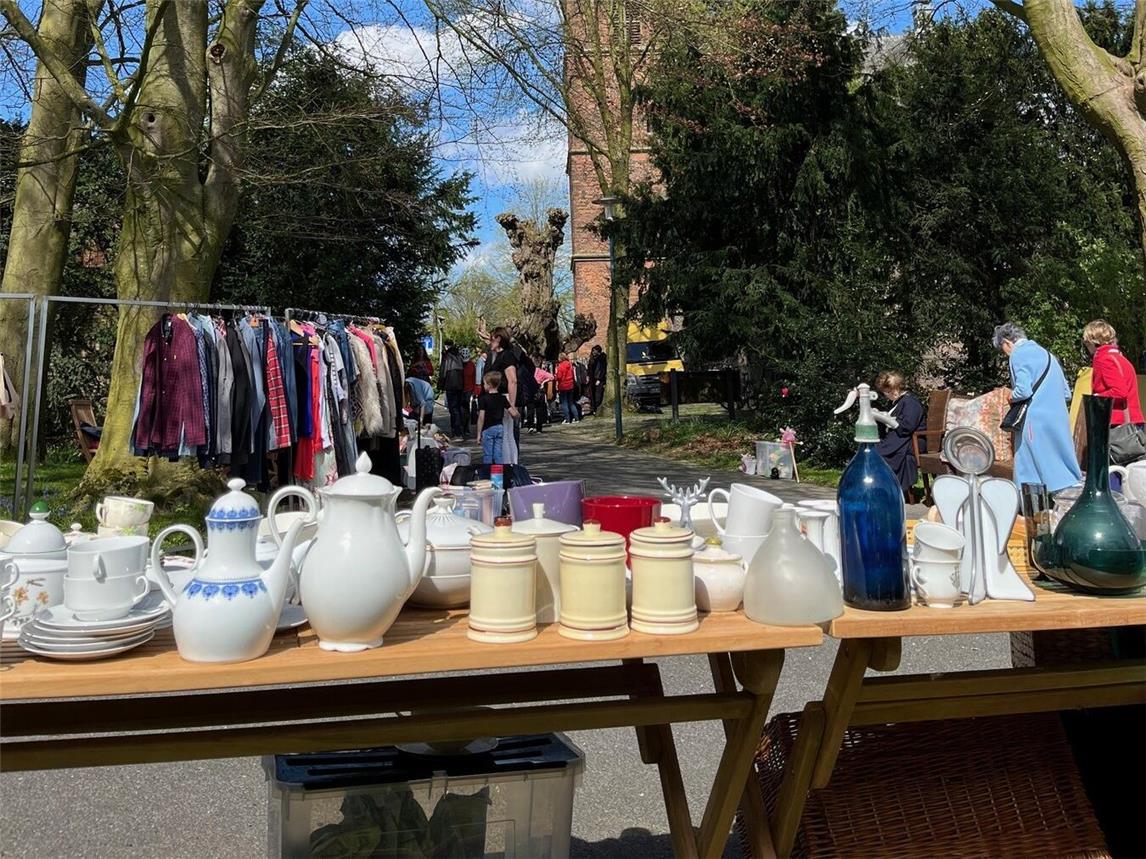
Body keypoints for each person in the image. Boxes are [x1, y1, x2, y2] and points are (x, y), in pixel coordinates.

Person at [993, 322, 1081, 493]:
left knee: (1029, 466)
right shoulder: (1047, 354)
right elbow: (1066, 393)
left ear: (1007, 342)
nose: (1005, 353)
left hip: (1034, 420)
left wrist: (1011, 395)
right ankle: (1067, 499)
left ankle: (1030, 510)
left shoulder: (1018, 354)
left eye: (1003, 349)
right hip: (1058, 418)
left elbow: (1023, 390)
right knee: (1060, 461)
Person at [874, 370, 925, 502]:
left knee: (880, 453)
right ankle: (884, 488)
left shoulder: (910, 402)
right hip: (901, 439)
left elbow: (907, 427)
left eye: (888, 391)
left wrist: (888, 420)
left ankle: (888, 490)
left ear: (896, 389)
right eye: (885, 392)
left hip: (912, 441)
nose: (887, 395)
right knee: (876, 450)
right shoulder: (896, 402)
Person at [487, 326, 520, 461]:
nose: (490, 342)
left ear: (498, 339)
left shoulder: (506, 355)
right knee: (506, 434)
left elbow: (513, 380)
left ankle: (507, 466)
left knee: (505, 435)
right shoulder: (501, 355)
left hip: (505, 398)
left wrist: (511, 405)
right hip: (501, 399)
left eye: (491, 339)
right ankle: (510, 465)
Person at [476, 371, 509, 465]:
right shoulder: (502, 398)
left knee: (488, 454)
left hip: (488, 428)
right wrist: (517, 415)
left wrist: (479, 434)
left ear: (489, 385)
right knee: (498, 454)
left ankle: (487, 475)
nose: (483, 386)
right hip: (499, 427)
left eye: (484, 384)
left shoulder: (483, 399)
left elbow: (481, 417)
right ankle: (498, 477)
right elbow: (512, 412)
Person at [438, 341, 467, 439]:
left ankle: (456, 432)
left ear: (446, 346)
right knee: (458, 408)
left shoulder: (447, 356)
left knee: (453, 409)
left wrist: (440, 385)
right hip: (460, 384)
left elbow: (443, 371)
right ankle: (460, 431)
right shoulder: (459, 356)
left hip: (450, 384)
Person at [527, 358, 554, 433]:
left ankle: (530, 426)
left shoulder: (529, 372)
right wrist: (544, 382)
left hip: (530, 391)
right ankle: (539, 427)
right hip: (540, 390)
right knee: (540, 409)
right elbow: (552, 377)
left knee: (530, 409)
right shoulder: (542, 372)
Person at [555, 353, 578, 424]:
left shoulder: (560, 366)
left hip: (563, 386)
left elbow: (559, 377)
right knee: (571, 402)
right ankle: (576, 418)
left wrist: (555, 376)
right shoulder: (570, 365)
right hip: (570, 385)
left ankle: (567, 419)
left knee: (564, 403)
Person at [460, 347, 476, 435]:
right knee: (461, 409)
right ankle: (462, 427)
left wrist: (474, 391)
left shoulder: (472, 365)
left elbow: (474, 377)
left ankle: (466, 428)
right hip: (460, 389)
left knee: (466, 410)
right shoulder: (459, 364)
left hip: (469, 389)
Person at [587, 345, 607, 415]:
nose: (593, 352)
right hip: (592, 379)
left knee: (598, 395)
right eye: (593, 351)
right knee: (592, 394)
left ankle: (597, 408)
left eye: (595, 351)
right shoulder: (592, 359)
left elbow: (602, 369)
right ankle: (594, 409)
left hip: (599, 379)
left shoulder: (602, 358)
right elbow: (589, 369)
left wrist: (600, 379)